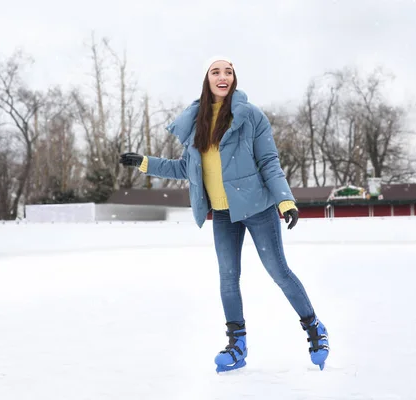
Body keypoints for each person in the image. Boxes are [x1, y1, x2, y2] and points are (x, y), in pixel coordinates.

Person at [119, 56, 329, 372]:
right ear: (207, 79)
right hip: (221, 214)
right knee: (228, 278)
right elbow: (185, 168)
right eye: (215, 71)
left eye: (228, 71)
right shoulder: (197, 122)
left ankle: (315, 328)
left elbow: (269, 162)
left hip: (258, 208)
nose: (222, 76)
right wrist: (144, 162)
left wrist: (285, 201)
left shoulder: (251, 116)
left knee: (278, 271)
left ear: (234, 79)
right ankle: (237, 345)